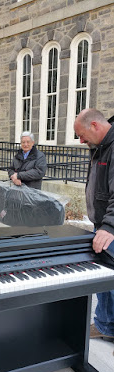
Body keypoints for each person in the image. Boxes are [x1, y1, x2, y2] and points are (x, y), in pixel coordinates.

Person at [74, 108, 114, 342]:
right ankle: (106, 324)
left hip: (110, 228)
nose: (80, 141)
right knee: (104, 280)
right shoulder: (100, 146)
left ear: (95, 126)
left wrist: (109, 227)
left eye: (81, 135)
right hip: (102, 225)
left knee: (109, 280)